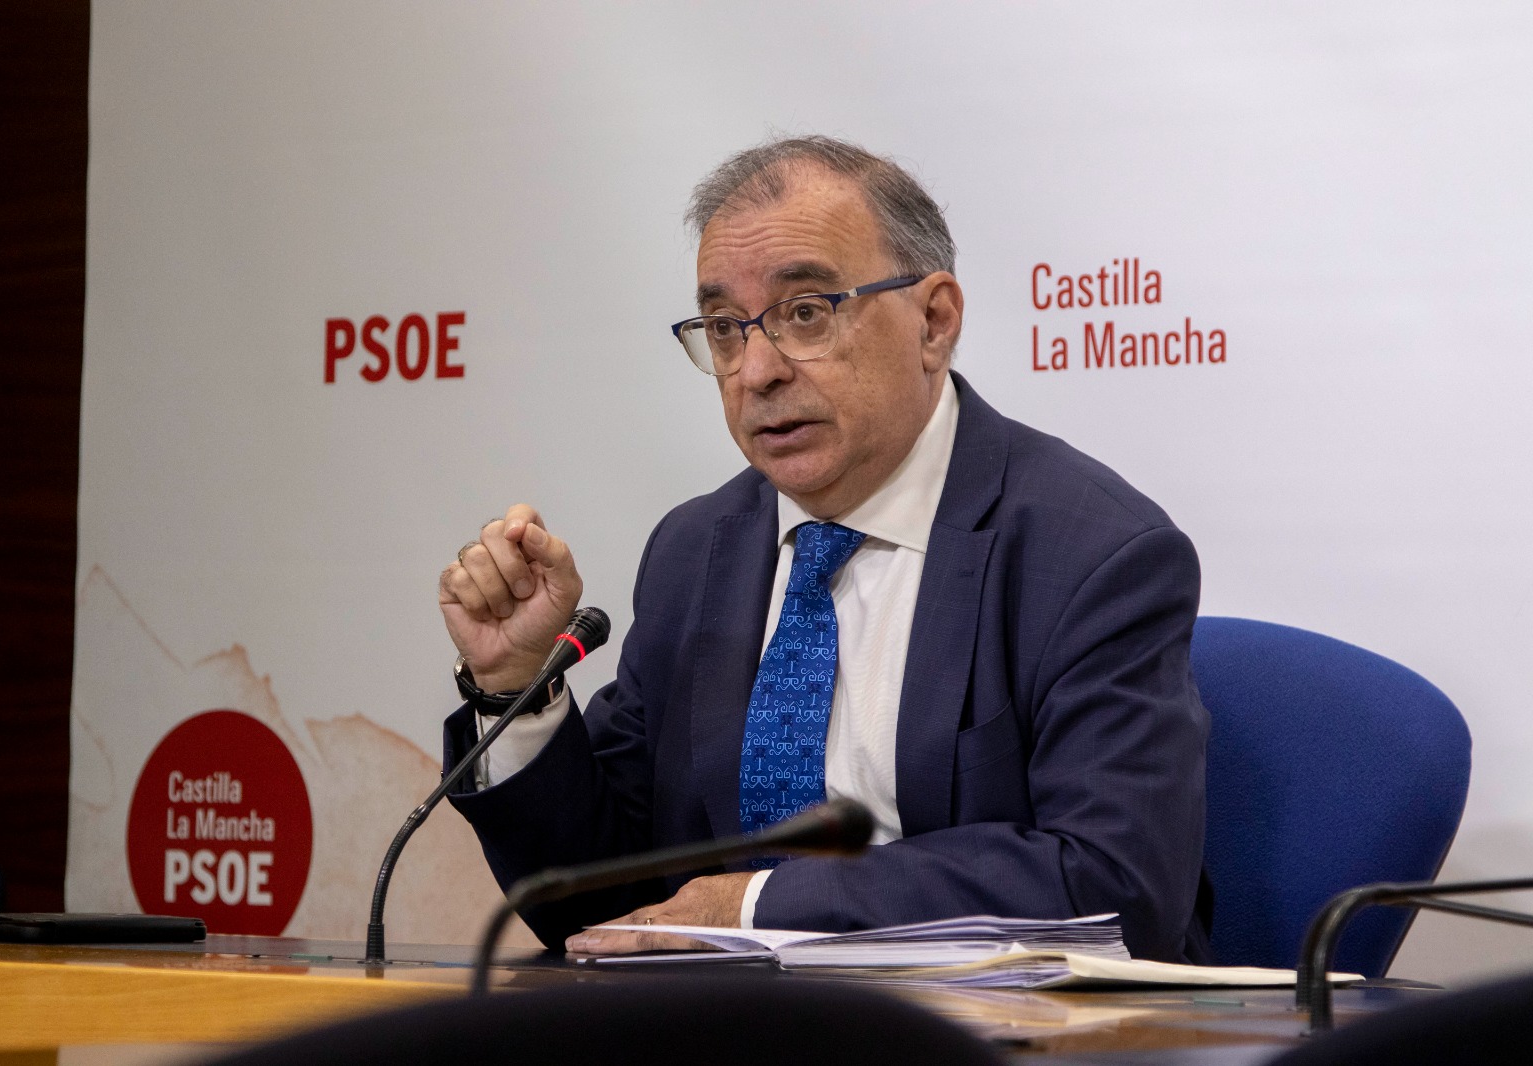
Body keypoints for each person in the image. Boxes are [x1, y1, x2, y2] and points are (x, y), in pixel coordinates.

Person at [439, 136, 1211, 964]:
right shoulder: (693, 552)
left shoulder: (1091, 554)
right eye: (725, 329)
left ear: (934, 322)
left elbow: (1113, 883)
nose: (756, 371)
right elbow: (604, 901)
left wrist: (761, 904)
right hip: (722, 1021)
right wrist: (515, 687)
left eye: (805, 312)